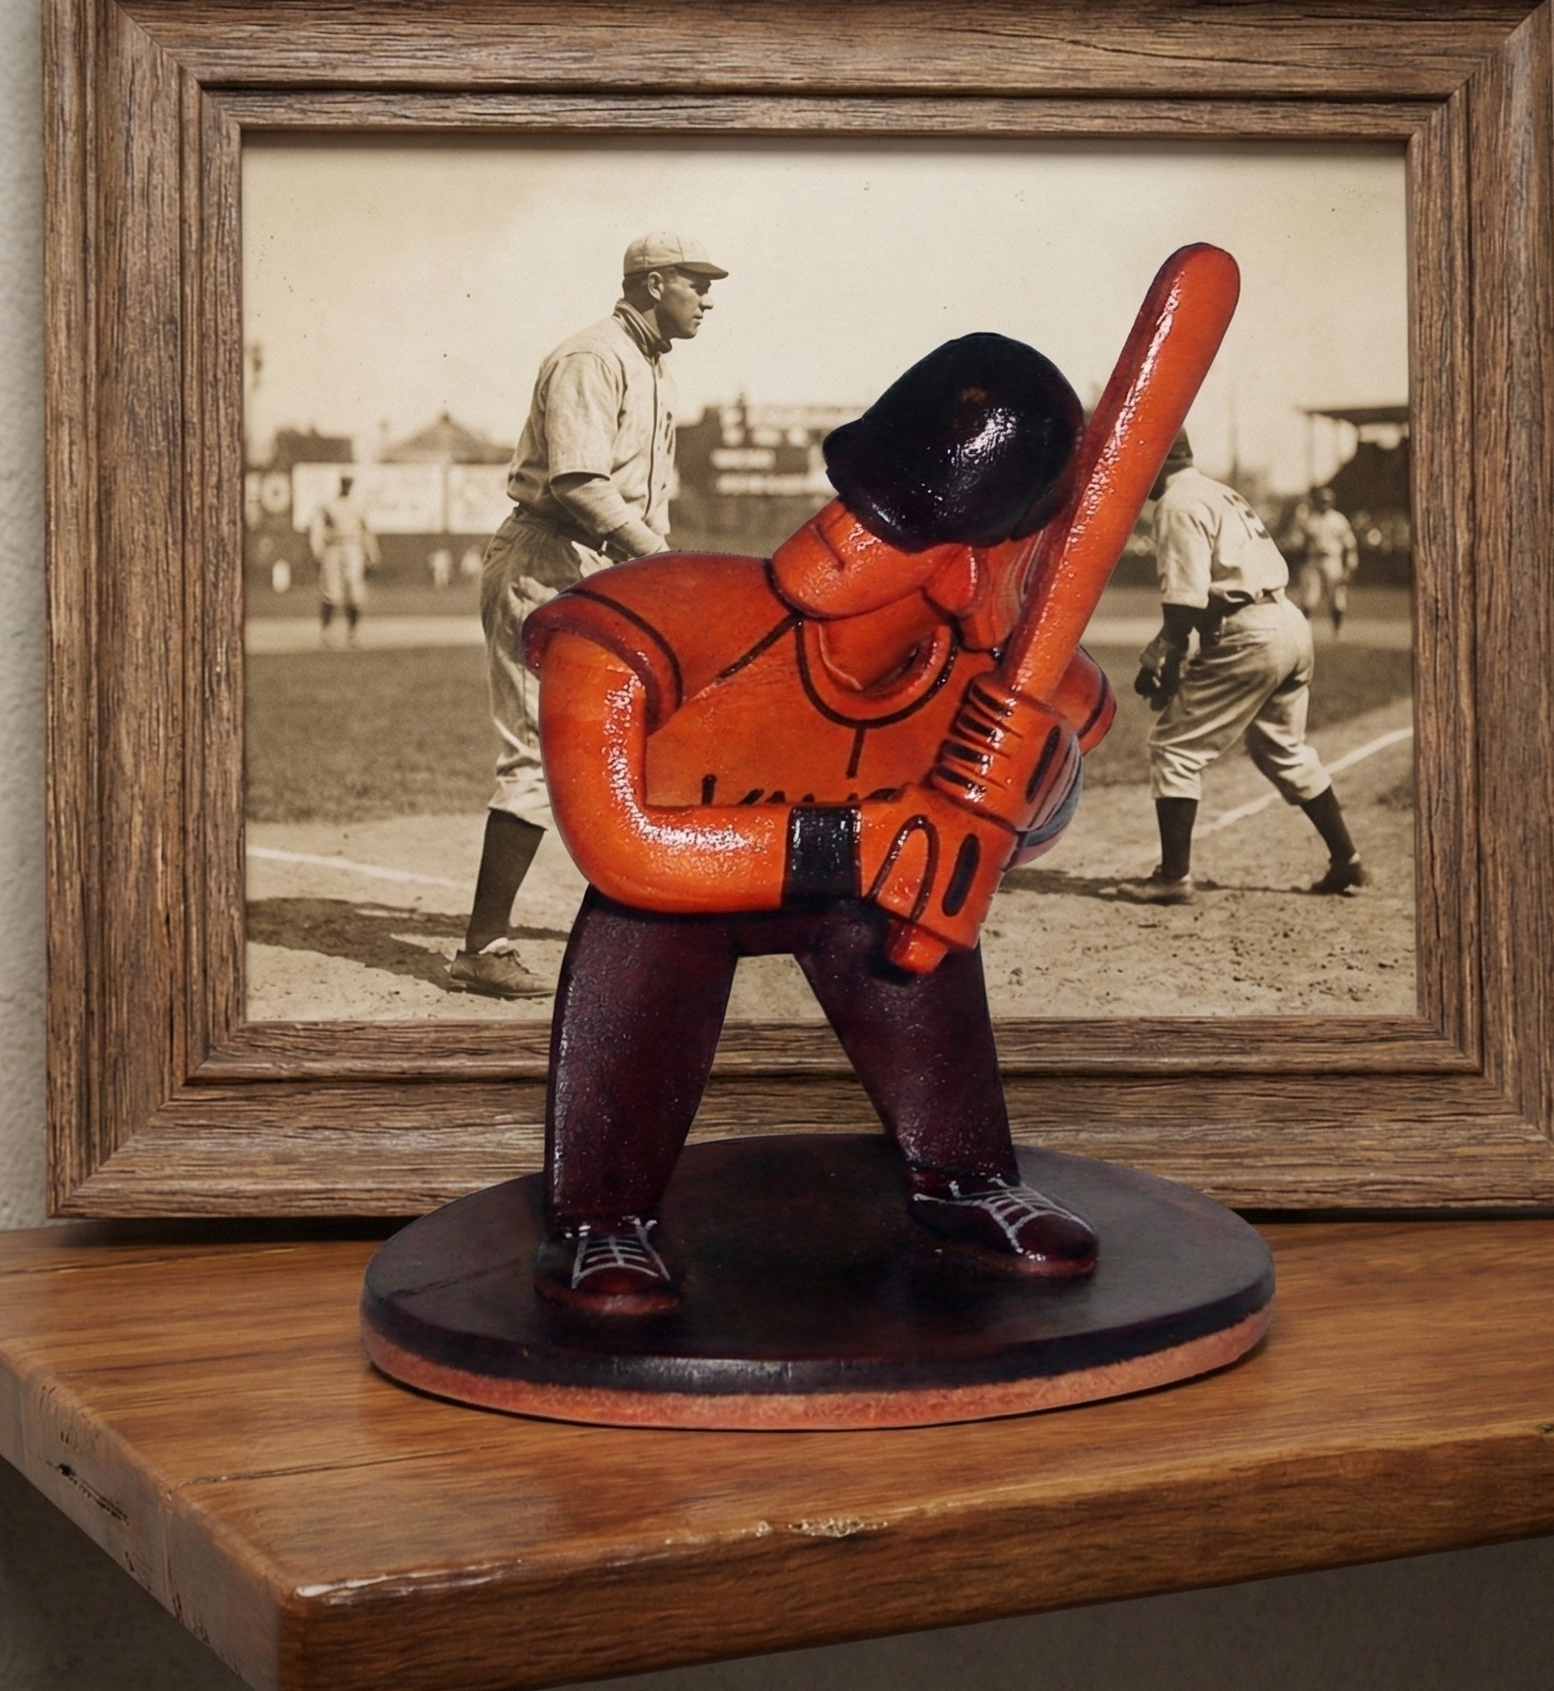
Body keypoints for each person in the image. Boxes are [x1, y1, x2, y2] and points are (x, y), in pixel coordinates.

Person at [521, 334, 1110, 1311]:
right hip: (682, 897)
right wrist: (857, 841)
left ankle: (963, 1170)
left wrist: (1032, 792)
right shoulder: (658, 619)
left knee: (921, 902)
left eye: (907, 526)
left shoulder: (1008, 681)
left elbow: (1015, 835)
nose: (847, 534)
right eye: (865, 503)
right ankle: (599, 1214)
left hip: (856, 900)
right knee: (647, 931)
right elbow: (619, 848)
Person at [447, 233, 725, 999]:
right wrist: (655, 560)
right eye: (696, 283)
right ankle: (483, 947)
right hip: (546, 561)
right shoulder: (593, 358)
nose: (708, 298)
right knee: (539, 749)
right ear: (653, 281)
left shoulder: (649, 365)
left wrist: (650, 560)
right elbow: (575, 480)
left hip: (598, 566)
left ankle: (648, 911)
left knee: (642, 736)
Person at [1108, 433, 1367, 905]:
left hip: (1246, 630)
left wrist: (1159, 653)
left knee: (1174, 748)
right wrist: (1167, 659)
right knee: (1282, 750)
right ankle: (1345, 859)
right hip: (1287, 622)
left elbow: (1184, 602)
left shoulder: (1177, 504)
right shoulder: (1215, 490)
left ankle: (1172, 876)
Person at [308, 471, 378, 645]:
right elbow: (316, 528)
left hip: (354, 547)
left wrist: (372, 553)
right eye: (345, 483)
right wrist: (317, 550)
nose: (347, 486)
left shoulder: (358, 505)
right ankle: (326, 633)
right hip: (333, 548)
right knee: (331, 592)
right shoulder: (329, 505)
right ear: (340, 485)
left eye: (349, 484)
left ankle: (353, 634)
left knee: (355, 592)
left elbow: (367, 531)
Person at [1294, 483, 1359, 635]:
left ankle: (1338, 629)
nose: (1324, 504)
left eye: (1327, 501)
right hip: (1313, 559)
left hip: (1332, 560)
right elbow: (1300, 544)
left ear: (1332, 502)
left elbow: (1350, 545)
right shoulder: (1310, 520)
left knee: (1336, 595)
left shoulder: (1338, 519)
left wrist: (1350, 565)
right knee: (1309, 595)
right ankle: (1305, 629)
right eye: (1322, 500)